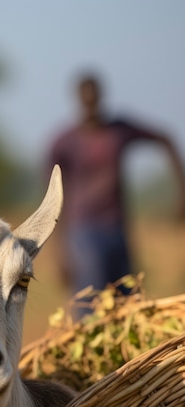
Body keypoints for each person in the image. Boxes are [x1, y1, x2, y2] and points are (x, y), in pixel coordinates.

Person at [47, 71, 185, 308]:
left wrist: (182, 192)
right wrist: (59, 254)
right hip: (84, 233)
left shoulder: (118, 131)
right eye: (86, 98)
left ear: (101, 97)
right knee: (92, 308)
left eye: (95, 98)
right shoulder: (64, 142)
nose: (91, 104)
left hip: (117, 229)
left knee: (129, 303)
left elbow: (166, 139)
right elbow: (49, 202)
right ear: (79, 99)